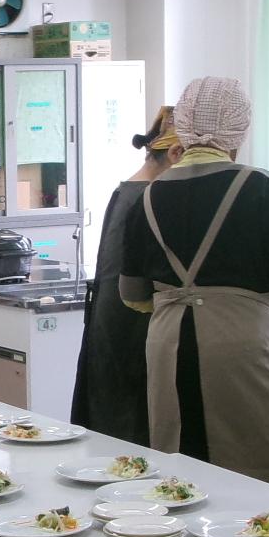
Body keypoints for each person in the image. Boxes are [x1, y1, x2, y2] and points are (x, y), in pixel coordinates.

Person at [118, 77, 269, 487]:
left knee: (178, 461)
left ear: (183, 128)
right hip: (239, 341)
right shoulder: (257, 186)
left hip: (168, 342)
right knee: (253, 461)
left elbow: (131, 294)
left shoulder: (147, 197)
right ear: (238, 130)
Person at [68, 106, 176, 444]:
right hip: (130, 327)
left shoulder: (127, 190)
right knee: (129, 435)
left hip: (110, 324)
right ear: (175, 154)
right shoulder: (146, 197)